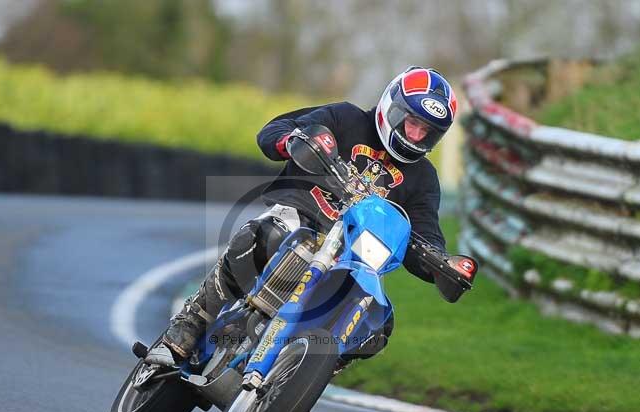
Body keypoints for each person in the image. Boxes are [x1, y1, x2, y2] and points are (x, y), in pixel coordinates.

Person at [150, 67, 457, 366]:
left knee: (378, 323)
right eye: (412, 122)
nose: (415, 134)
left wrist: (444, 264)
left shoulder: (424, 179)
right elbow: (275, 130)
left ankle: (306, 370)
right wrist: (294, 141)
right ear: (392, 108)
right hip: (299, 217)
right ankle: (191, 322)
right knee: (265, 236)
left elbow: (425, 232)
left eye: (427, 131)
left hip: (355, 255)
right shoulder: (345, 118)